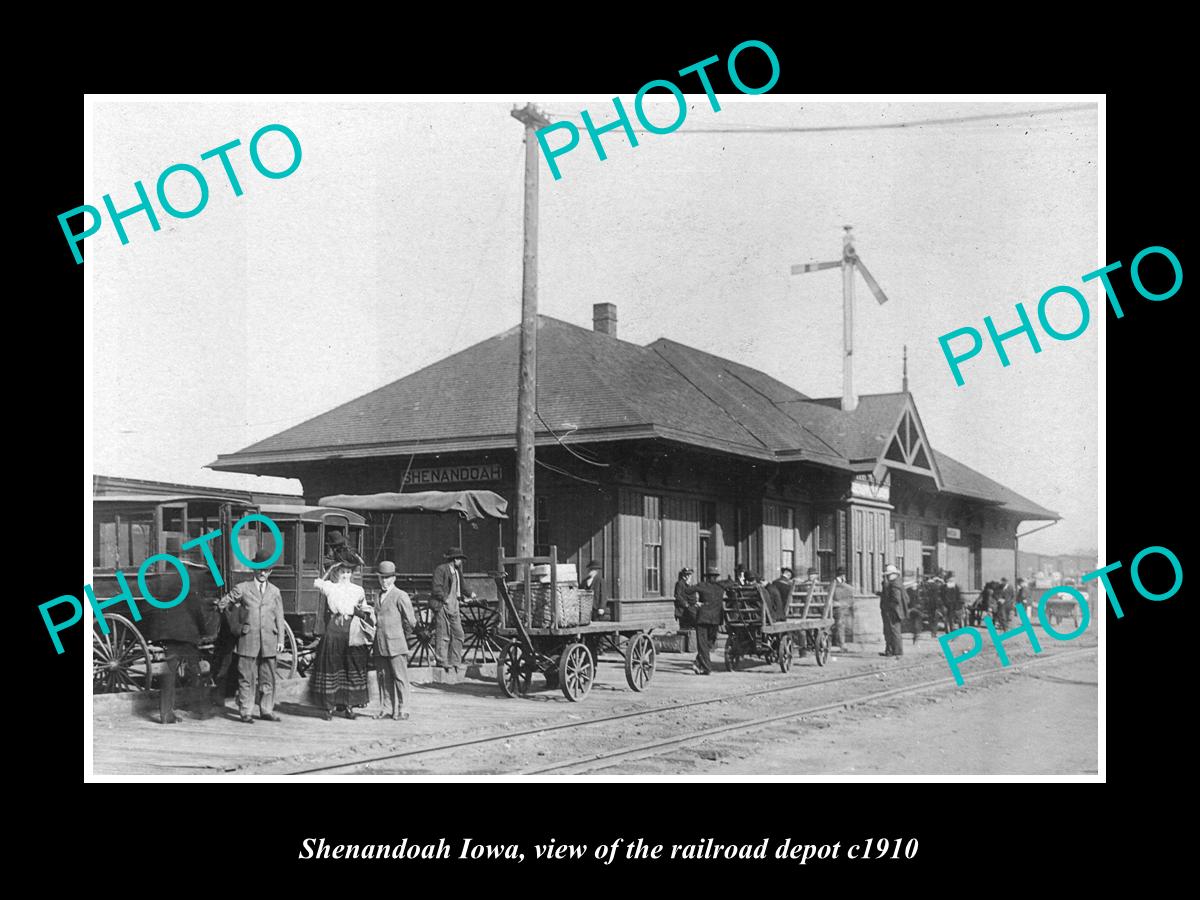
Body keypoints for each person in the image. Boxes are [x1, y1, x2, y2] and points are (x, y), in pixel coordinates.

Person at [218, 548, 287, 723]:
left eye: (267, 570)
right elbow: (223, 604)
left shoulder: (275, 591)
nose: (263, 573)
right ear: (254, 569)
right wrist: (236, 623)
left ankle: (266, 710)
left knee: (268, 676)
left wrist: (280, 640)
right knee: (246, 676)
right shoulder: (242, 588)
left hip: (269, 640)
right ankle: (246, 711)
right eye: (260, 569)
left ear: (270, 571)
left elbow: (280, 617)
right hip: (248, 639)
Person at [311, 561, 371, 720]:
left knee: (350, 666)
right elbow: (316, 583)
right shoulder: (331, 587)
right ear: (337, 572)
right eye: (342, 571)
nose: (345, 575)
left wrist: (362, 613)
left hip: (351, 630)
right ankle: (329, 707)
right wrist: (330, 568)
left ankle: (349, 707)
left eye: (348, 572)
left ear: (352, 574)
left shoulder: (358, 590)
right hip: (334, 629)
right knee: (332, 666)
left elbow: (365, 609)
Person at [150, 590, 218, 724]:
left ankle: (166, 714)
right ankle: (202, 711)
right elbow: (198, 614)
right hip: (187, 637)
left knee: (169, 675)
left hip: (169, 638)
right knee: (196, 672)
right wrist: (204, 632)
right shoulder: (190, 591)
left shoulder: (165, 589)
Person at [371, 561, 415, 721]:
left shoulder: (400, 595)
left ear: (394, 578)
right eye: (382, 578)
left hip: (396, 645)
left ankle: (404, 709)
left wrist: (401, 636)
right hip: (380, 644)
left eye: (388, 578)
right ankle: (386, 709)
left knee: (400, 677)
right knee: (383, 677)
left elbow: (410, 621)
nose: (384, 581)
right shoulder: (377, 595)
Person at [431, 547, 473, 672]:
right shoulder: (441, 570)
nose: (461, 561)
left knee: (459, 634)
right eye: (460, 559)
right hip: (443, 605)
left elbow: (463, 586)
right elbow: (436, 587)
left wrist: (470, 594)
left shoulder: (457, 571)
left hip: (455, 606)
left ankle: (455, 661)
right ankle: (442, 661)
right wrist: (445, 598)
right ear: (454, 559)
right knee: (444, 634)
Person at [691, 565, 725, 675]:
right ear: (716, 577)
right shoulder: (720, 587)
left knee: (703, 644)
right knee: (709, 643)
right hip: (715, 620)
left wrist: (694, 603)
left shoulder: (702, 586)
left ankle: (705, 667)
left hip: (702, 619)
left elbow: (687, 590)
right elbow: (731, 583)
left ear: (707, 577)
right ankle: (699, 663)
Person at [879, 563, 909, 657]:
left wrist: (888, 607)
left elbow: (895, 599)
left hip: (893, 612)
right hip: (895, 611)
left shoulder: (894, 585)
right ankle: (891, 650)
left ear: (893, 574)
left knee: (893, 631)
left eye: (888, 575)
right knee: (891, 631)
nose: (887, 577)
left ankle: (896, 651)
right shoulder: (897, 583)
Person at [829, 566, 854, 651]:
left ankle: (838, 643)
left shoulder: (834, 583)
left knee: (838, 625)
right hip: (837, 607)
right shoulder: (839, 584)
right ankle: (841, 644)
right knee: (840, 625)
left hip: (838, 606)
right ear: (843, 575)